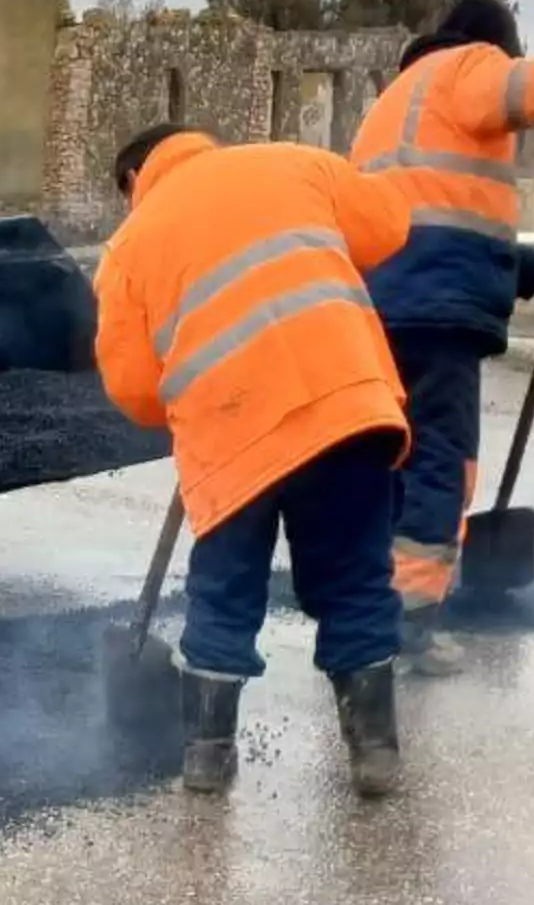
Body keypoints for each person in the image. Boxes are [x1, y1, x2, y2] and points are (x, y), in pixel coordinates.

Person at [93, 123, 415, 798]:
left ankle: (207, 755)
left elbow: (135, 389)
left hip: (232, 438)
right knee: (355, 573)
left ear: (133, 180)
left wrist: (197, 382)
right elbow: (388, 225)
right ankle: (375, 753)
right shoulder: (296, 165)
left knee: (225, 587)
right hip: (345, 407)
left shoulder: (129, 247)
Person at [348, 0, 534, 675]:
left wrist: (531, 270)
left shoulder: (396, 101)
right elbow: (521, 88)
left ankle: (365, 603)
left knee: (388, 455)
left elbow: (430, 208)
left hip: (378, 303)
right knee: (439, 459)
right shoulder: (470, 65)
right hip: (438, 311)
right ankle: (414, 624)